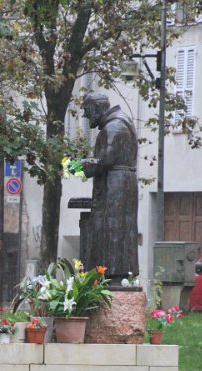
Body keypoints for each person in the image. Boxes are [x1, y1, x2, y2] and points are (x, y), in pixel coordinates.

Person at [81, 92, 139, 282]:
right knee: (119, 230)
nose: (85, 116)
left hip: (115, 186)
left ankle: (111, 274)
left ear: (97, 108)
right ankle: (116, 273)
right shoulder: (120, 122)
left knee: (111, 230)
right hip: (119, 183)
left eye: (87, 110)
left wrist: (73, 167)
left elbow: (102, 161)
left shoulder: (113, 127)